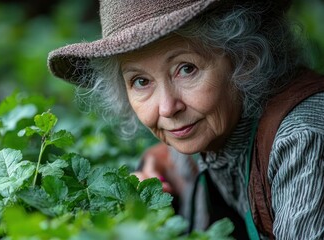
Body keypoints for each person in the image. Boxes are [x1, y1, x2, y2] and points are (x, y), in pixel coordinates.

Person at [47, 0, 324, 239]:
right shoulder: (204, 131)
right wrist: (157, 168)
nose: (167, 108)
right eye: (141, 81)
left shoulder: (302, 139)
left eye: (186, 69)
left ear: (245, 59)